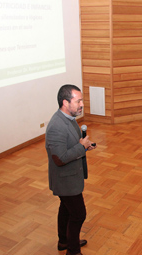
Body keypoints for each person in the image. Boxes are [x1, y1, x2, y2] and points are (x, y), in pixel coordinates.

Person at [46, 84, 96, 255]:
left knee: (66, 209)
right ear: (65, 102)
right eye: (78, 101)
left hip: (71, 176)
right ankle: (73, 251)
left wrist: (85, 146)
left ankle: (64, 241)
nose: (82, 104)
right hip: (65, 179)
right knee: (78, 214)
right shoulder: (57, 126)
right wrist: (80, 148)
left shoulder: (69, 119)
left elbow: (71, 146)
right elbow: (59, 159)